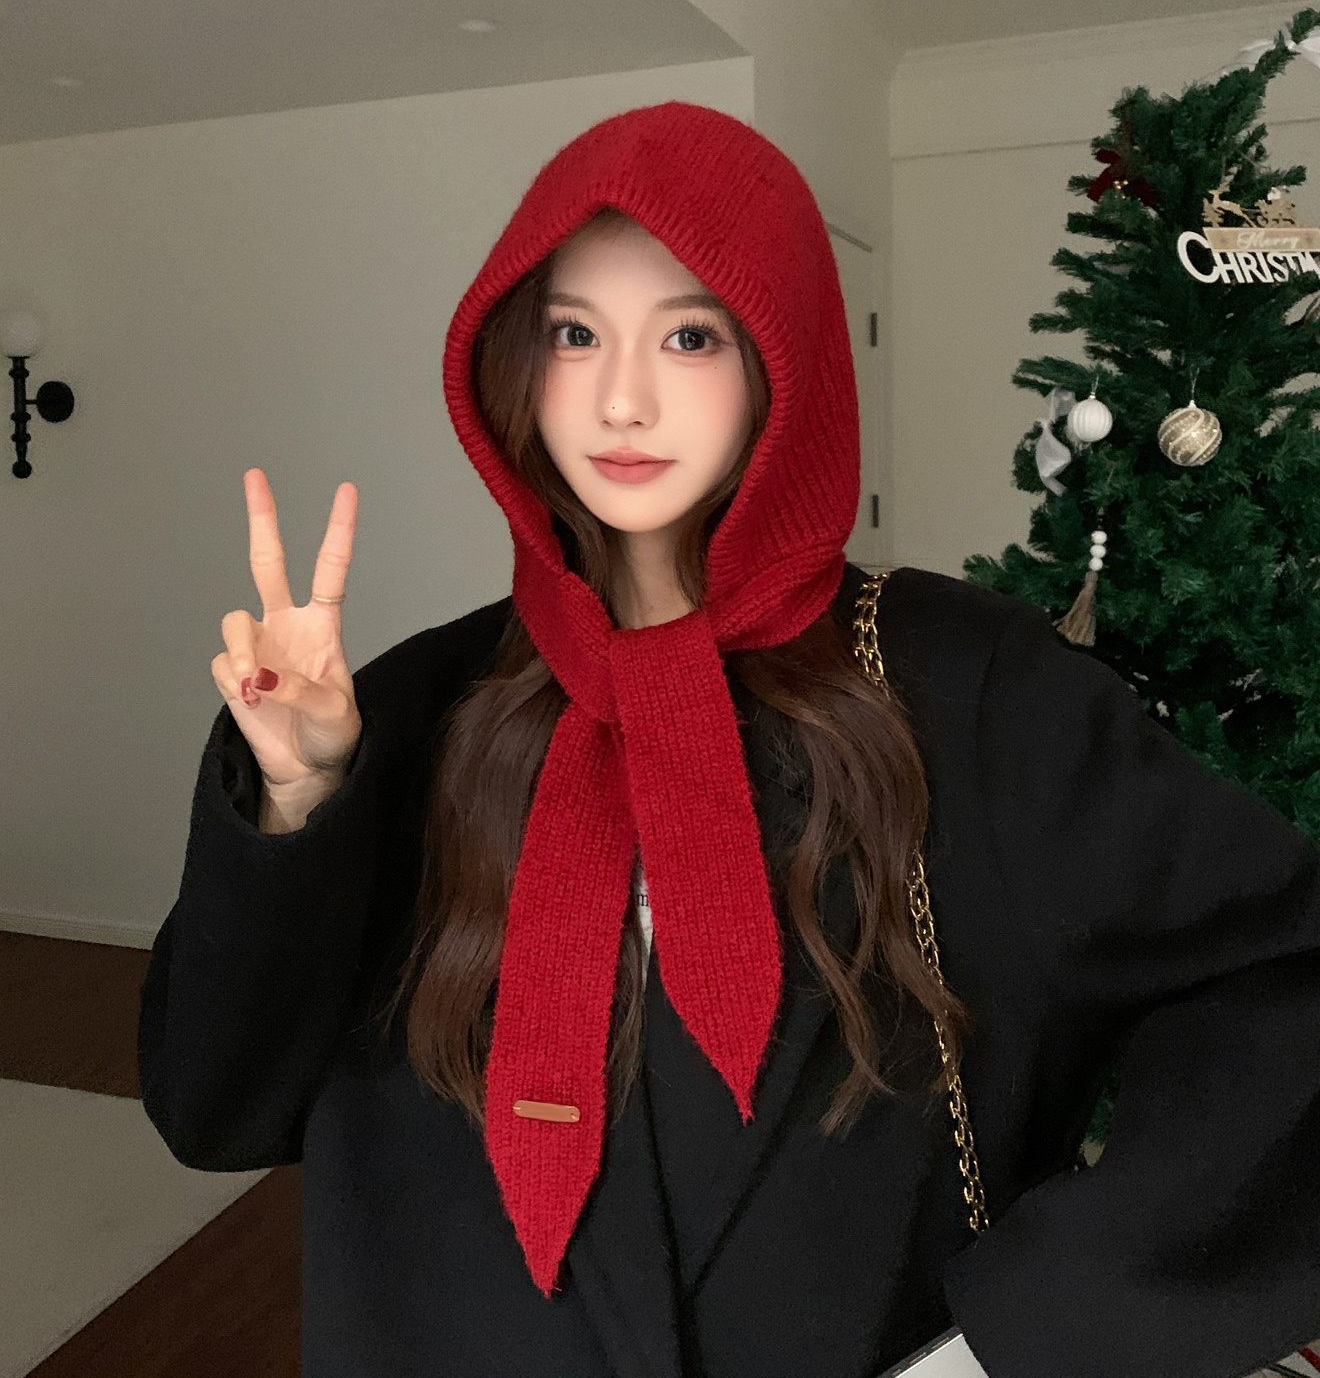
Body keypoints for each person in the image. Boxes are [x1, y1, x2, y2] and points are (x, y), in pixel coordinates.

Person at [138, 101, 1320, 1378]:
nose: (622, 398)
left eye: (690, 335)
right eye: (574, 334)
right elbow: (215, 1111)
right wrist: (298, 804)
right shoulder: (420, 706)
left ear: (779, 357)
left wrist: (1029, 1335)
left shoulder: (966, 686)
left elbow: (1287, 983)